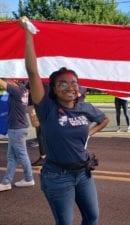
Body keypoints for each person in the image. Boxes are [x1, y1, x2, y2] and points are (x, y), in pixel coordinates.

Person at [19, 16, 109, 225]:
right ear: (53, 88)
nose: (70, 87)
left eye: (74, 83)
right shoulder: (47, 109)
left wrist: (90, 132)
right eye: (63, 83)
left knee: (92, 217)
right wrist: (27, 33)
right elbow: (32, 71)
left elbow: (104, 119)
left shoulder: (84, 108)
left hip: (84, 173)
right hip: (58, 176)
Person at [0, 78, 35, 192]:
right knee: (12, 156)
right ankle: (6, 182)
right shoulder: (23, 89)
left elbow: (2, 84)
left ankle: (29, 178)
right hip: (19, 127)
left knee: (21, 154)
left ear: (10, 80)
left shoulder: (15, 90)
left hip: (16, 128)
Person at [27, 82, 49, 166]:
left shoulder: (37, 78)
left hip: (35, 105)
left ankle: (43, 157)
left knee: (40, 132)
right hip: (45, 105)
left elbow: (28, 86)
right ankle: (47, 156)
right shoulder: (48, 78)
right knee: (44, 132)